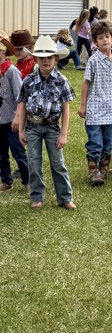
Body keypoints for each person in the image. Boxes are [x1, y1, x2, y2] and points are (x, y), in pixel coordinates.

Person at [12, 35, 77, 210]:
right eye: (42, 57)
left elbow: (66, 108)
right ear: (36, 59)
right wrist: (21, 129)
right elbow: (23, 104)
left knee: (58, 163)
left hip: (53, 127)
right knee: (34, 162)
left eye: (49, 57)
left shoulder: (61, 81)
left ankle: (65, 197)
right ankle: (37, 196)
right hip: (33, 127)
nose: (46, 61)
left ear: (56, 59)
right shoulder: (29, 80)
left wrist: (63, 134)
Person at [77, 19, 112, 184]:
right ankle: (94, 172)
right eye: (100, 38)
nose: (105, 40)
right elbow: (86, 83)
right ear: (95, 41)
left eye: (107, 36)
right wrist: (83, 105)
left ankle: (103, 169)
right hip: (94, 108)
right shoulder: (93, 61)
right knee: (95, 142)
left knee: (108, 141)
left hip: (110, 109)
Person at [0, 34, 29, 194]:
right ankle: (6, 180)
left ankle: (28, 181)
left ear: (4, 51)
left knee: (18, 152)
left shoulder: (11, 71)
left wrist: (18, 117)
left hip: (11, 120)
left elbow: (21, 96)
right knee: (1, 155)